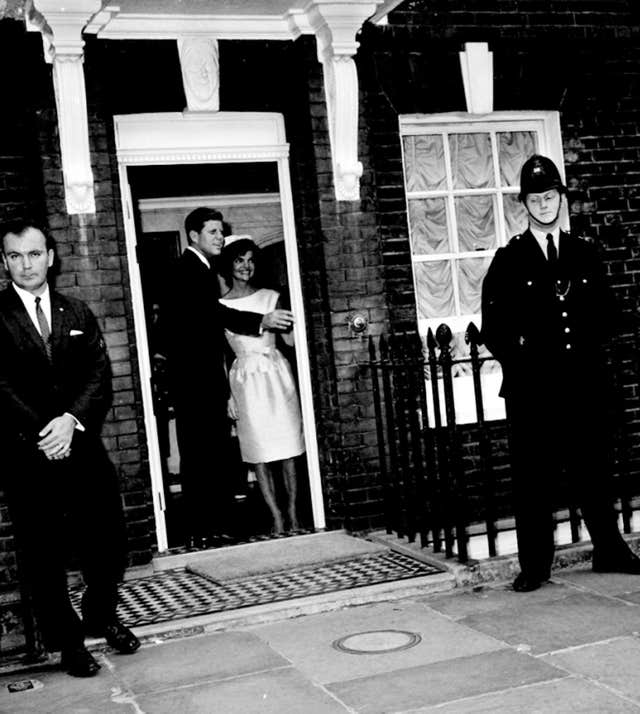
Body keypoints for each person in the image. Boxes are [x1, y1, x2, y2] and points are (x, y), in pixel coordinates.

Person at [481, 154, 640, 593]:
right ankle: (534, 565)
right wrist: (528, 361)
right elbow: (494, 328)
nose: (545, 204)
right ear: (525, 204)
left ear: (560, 198)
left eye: (551, 196)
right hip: (534, 390)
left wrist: (584, 347)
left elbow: (607, 314)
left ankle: (609, 549)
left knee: (594, 470)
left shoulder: (583, 253)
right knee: (535, 479)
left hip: (583, 384)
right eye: (536, 198)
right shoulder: (509, 260)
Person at [0, 220, 140, 677]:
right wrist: (46, 430)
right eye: (15, 256)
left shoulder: (76, 312)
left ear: (51, 257)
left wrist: (69, 422)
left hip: (80, 444)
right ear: (4, 262)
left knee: (108, 541)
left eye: (34, 254)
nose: (26, 264)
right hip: (28, 451)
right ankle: (70, 643)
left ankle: (101, 613)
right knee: (43, 553)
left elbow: (98, 375)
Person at [164, 208, 294, 549]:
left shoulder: (199, 269)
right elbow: (213, 315)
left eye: (221, 232)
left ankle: (210, 527)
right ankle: (201, 529)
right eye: (212, 232)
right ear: (193, 235)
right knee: (200, 457)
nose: (219, 238)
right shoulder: (189, 269)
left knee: (208, 456)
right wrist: (261, 322)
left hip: (202, 381)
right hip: (196, 382)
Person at [219, 236, 305, 535]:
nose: (246, 266)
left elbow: (291, 341)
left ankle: (293, 513)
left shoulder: (271, 296)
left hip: (275, 373)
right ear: (229, 264)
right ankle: (276, 517)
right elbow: (221, 355)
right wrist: (227, 395)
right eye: (239, 260)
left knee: (287, 446)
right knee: (259, 451)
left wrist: (295, 322)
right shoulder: (220, 306)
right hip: (245, 379)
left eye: (250, 260)